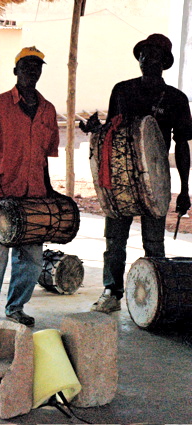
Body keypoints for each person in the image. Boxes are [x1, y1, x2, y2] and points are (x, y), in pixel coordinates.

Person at [89, 34, 192, 313]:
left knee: (154, 243)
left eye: (154, 56)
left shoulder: (176, 99)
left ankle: (156, 299)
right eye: (143, 55)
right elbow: (111, 131)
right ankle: (111, 291)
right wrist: (94, 129)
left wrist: (184, 189)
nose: (147, 60)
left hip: (156, 181)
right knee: (115, 240)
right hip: (121, 179)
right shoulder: (122, 90)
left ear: (164, 62)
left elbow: (182, 144)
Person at [0, 46, 60, 333]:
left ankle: (16, 308)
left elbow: (44, 158)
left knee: (32, 258)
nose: (32, 72)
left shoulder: (48, 110)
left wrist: (51, 192)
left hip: (34, 195)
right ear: (15, 70)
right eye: (26, 66)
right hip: (2, 193)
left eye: (37, 67)